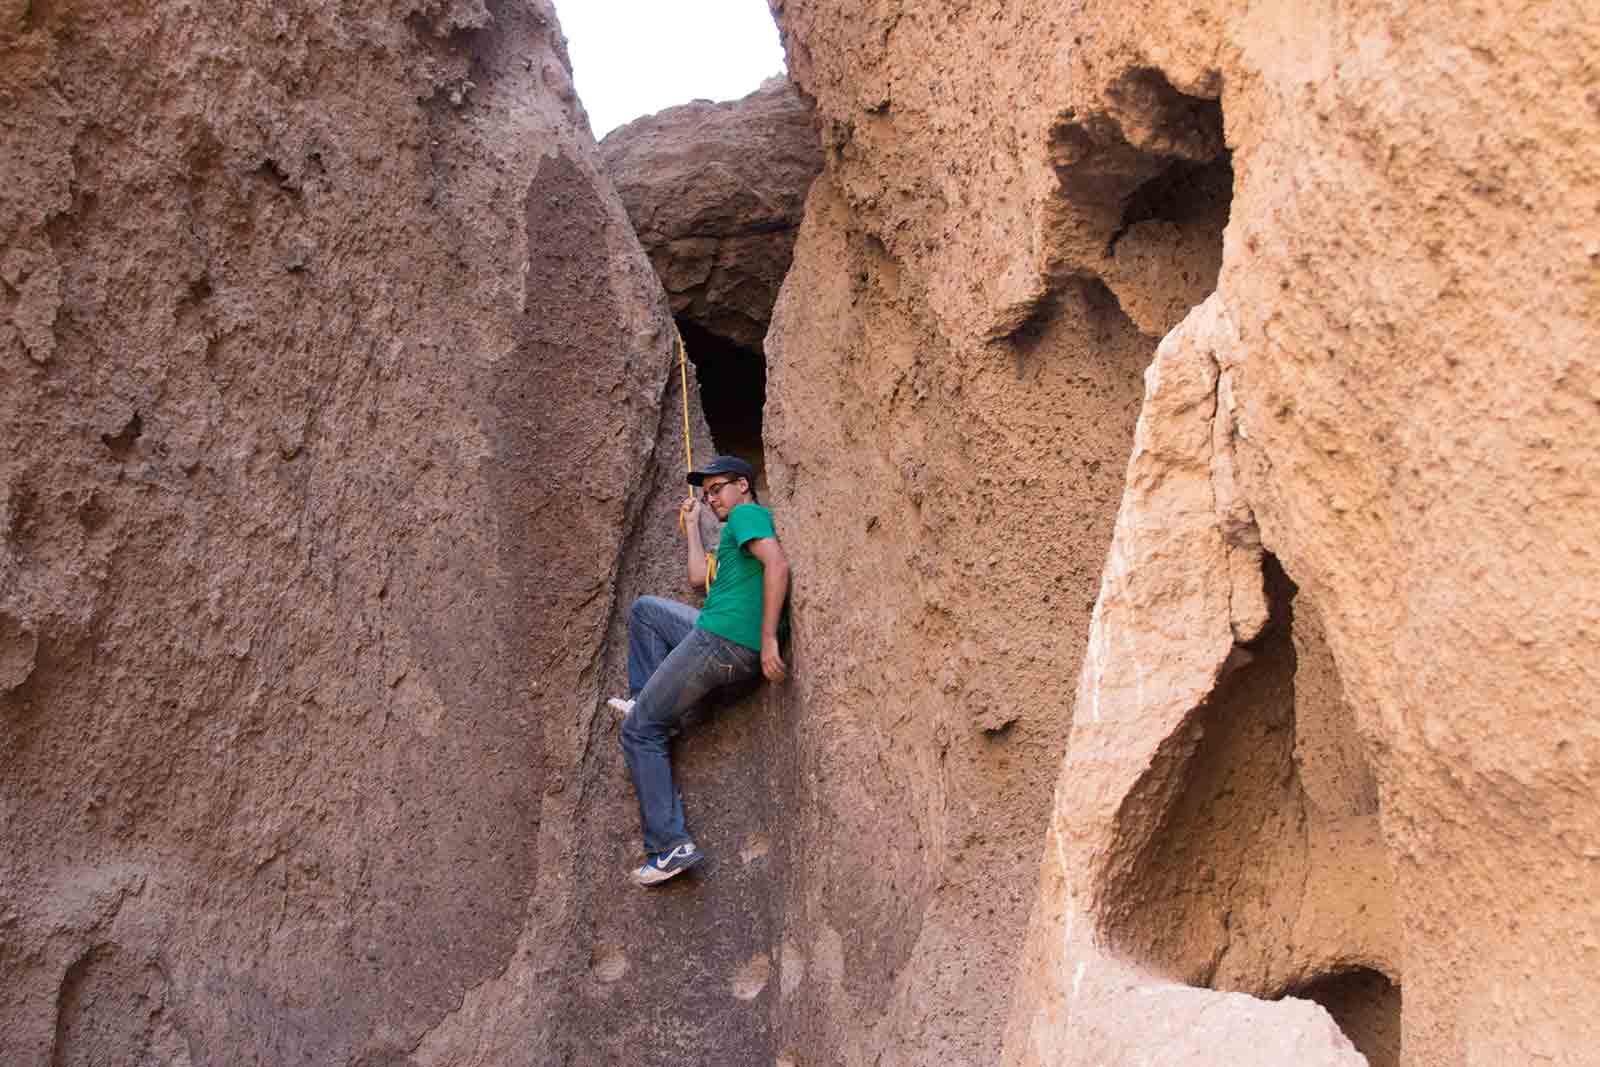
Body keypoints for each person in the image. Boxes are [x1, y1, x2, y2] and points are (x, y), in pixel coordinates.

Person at [611, 454, 790, 886]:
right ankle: (646, 700)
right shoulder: (733, 542)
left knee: (638, 730)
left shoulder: (748, 515)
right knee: (647, 612)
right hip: (718, 637)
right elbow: (697, 577)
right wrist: (693, 528)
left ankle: (669, 846)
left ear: (743, 485)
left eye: (717, 488)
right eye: (705, 493)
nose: (711, 499)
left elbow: (778, 563)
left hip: (723, 640)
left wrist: (768, 638)